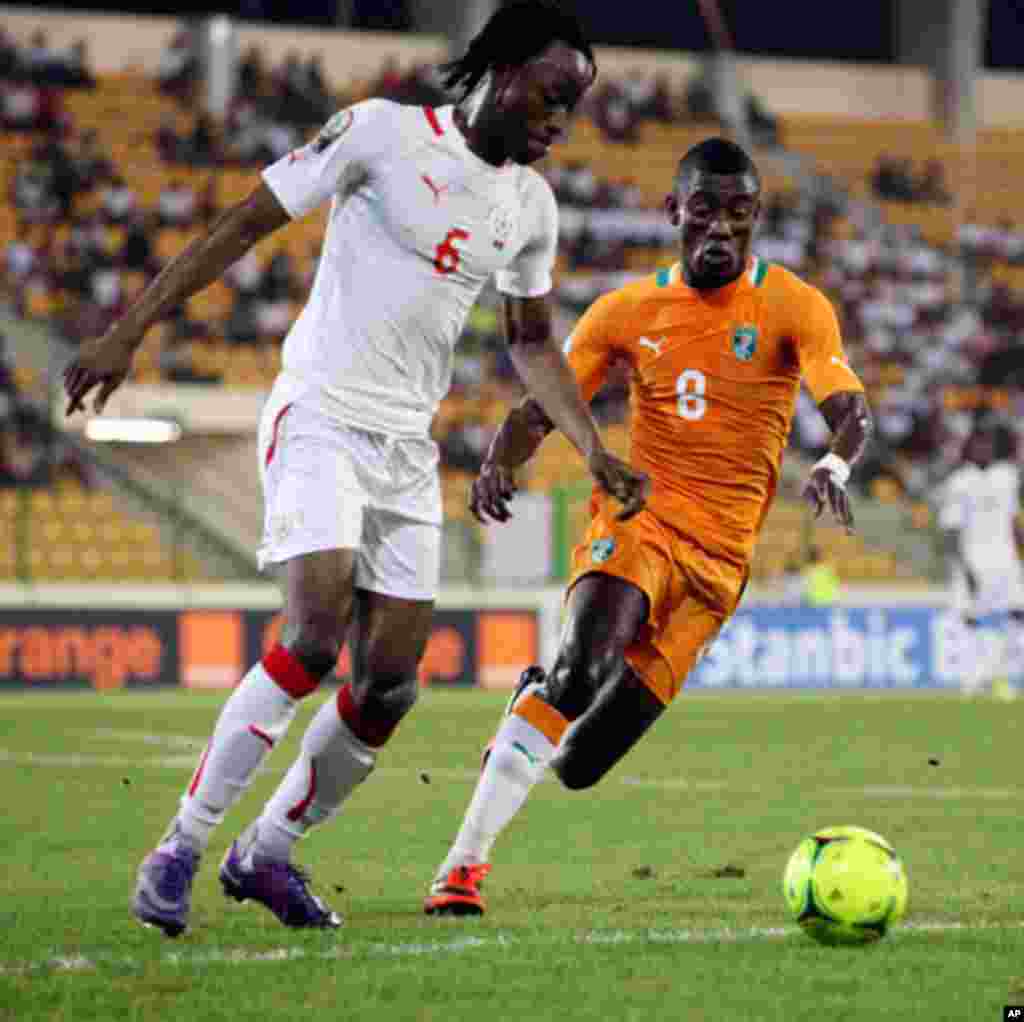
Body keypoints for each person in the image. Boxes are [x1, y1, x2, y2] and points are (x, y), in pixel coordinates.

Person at [62, 0, 649, 938]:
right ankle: (180, 845)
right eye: (547, 97)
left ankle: (267, 854)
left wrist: (591, 447)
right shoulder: (381, 134)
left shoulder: (529, 207)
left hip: (405, 451)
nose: (556, 123)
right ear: (500, 71)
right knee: (310, 637)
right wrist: (130, 328)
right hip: (322, 415)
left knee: (388, 686)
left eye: (570, 109)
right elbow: (243, 224)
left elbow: (531, 340)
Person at [424, 136, 873, 916]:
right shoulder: (626, 311)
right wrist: (501, 459)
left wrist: (835, 463)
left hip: (720, 569)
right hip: (643, 520)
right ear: (675, 212)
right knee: (580, 673)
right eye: (704, 210)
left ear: (756, 217)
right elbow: (547, 401)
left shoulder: (795, 306)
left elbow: (847, 407)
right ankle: (461, 867)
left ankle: (532, 711)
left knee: (580, 764)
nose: (721, 229)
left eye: (739, 213)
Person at [936, 417, 1024, 696]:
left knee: (1016, 615)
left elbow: (1013, 521)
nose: (982, 449)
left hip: (1006, 559)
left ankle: (998, 673)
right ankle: (972, 678)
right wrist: (963, 567)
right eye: (977, 444)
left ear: (993, 447)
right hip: (973, 559)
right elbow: (951, 530)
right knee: (970, 620)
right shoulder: (960, 482)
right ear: (969, 448)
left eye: (986, 444)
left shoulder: (1006, 476)